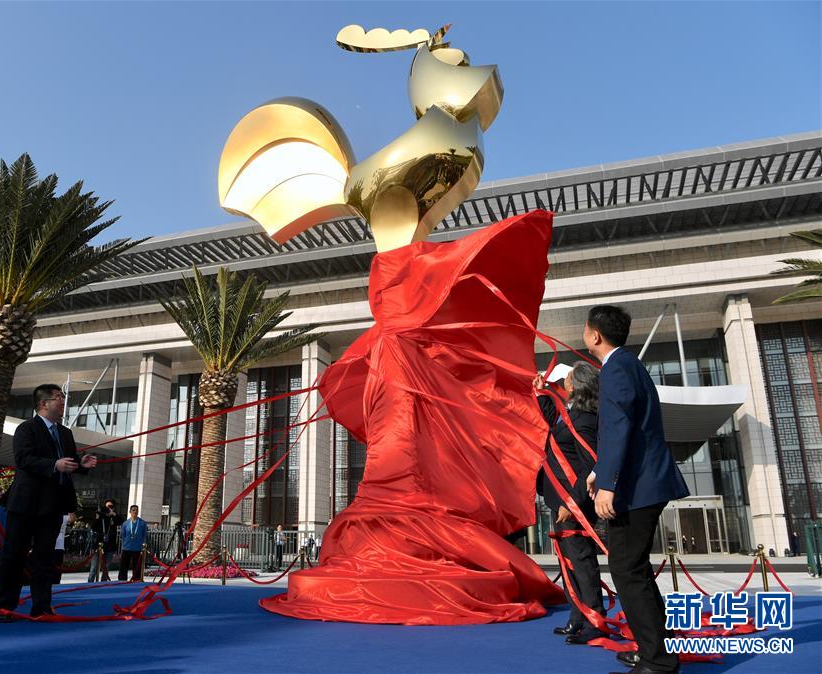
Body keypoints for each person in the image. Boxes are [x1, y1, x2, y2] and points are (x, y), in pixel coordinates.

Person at [260, 211, 565, 623]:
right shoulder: (394, 326)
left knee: (406, 442)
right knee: (397, 440)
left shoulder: (408, 317)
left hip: (401, 363)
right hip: (393, 366)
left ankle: (410, 508)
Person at [583, 305, 689, 674]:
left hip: (636, 487)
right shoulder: (629, 364)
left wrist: (608, 484)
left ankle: (657, 660)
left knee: (626, 569)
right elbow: (627, 428)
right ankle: (655, 650)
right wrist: (599, 471)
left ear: (595, 335)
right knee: (635, 568)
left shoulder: (615, 368)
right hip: (642, 482)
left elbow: (618, 426)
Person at [0, 384, 97, 621]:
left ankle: (41, 607)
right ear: (43, 403)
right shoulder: (26, 428)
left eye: (63, 397)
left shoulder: (65, 433)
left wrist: (82, 464)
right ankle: (5, 606)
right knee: (14, 555)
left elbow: (68, 461)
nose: (63, 401)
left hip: (53, 503)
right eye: (58, 397)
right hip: (26, 502)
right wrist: (54, 465)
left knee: (45, 557)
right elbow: (24, 459)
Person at [534, 362, 604, 645]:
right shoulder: (571, 414)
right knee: (567, 562)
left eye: (569, 377)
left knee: (581, 560)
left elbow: (589, 466)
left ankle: (595, 619)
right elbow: (556, 426)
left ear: (577, 385)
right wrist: (540, 394)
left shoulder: (585, 419)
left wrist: (572, 502)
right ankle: (577, 617)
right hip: (560, 500)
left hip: (574, 504)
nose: (564, 380)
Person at [89, 498, 123, 582]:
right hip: (98, 545)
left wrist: (113, 513)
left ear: (114, 507)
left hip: (110, 546)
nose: (108, 508)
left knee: (106, 568)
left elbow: (121, 521)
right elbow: (93, 527)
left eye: (111, 506)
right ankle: (89, 584)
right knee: (93, 568)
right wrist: (98, 517)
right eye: (107, 507)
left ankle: (103, 584)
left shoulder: (114, 518)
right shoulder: (101, 517)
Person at [118, 505, 147, 581]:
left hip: (137, 548)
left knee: (137, 566)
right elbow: (123, 535)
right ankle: (122, 580)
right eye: (133, 510)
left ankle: (137, 580)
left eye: (136, 510)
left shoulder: (142, 523)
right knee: (124, 566)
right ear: (130, 511)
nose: (135, 511)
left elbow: (144, 535)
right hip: (126, 547)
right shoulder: (125, 523)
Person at [52, 512, 76, 584]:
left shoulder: (63, 516)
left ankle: (55, 582)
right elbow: (72, 518)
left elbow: (72, 519)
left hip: (57, 546)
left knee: (56, 568)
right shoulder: (64, 517)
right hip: (55, 546)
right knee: (55, 567)